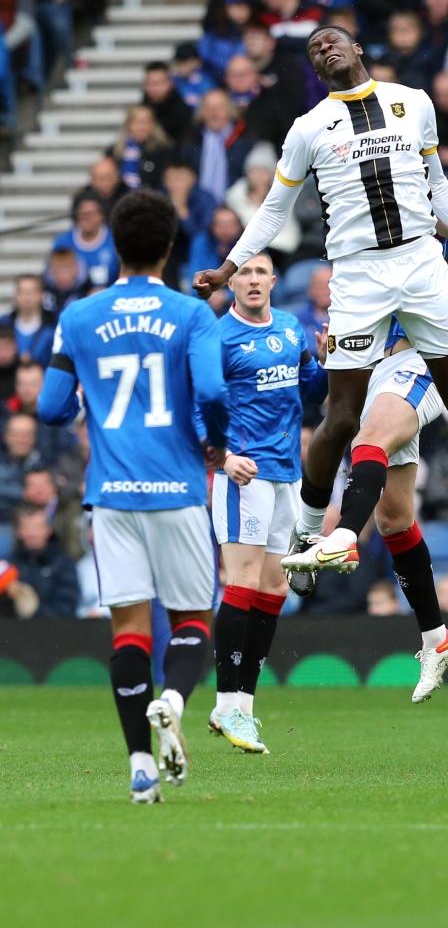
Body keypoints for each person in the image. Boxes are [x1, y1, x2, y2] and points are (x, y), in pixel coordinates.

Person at [194, 25, 448, 585]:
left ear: (357, 49)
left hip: (422, 263)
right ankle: (305, 534)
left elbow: (438, 185)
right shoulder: (308, 129)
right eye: (313, 48)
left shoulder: (413, 103)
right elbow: (274, 211)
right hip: (357, 274)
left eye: (332, 40)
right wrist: (230, 267)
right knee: (341, 416)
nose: (324, 48)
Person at [37, 189, 229, 804]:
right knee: (193, 621)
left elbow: (49, 407)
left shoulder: (78, 318)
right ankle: (171, 701)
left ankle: (141, 770)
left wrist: (79, 405)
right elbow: (213, 394)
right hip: (176, 490)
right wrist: (217, 446)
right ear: (170, 247)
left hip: (112, 497)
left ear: (114, 245)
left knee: (128, 631)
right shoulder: (191, 314)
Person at [287, 316, 448, 702]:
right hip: (375, 379)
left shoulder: (406, 259)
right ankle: (437, 638)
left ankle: (340, 535)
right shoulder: (351, 282)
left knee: (366, 442)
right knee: (394, 519)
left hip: (416, 361)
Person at [209, 252, 327, 753]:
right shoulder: (218, 337)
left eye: (261, 272)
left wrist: (324, 360)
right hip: (244, 474)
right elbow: (197, 406)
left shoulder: (290, 326)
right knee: (243, 581)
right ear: (231, 282)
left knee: (275, 588)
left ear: (274, 281)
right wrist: (223, 457)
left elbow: (312, 393)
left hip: (286, 476)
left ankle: (245, 709)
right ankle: (223, 702)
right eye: (244, 272)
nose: (252, 280)